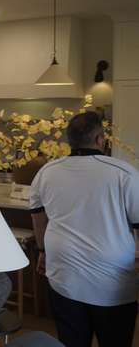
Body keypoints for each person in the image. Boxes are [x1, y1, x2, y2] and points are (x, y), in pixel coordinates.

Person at [30, 111, 139, 347]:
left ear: (69, 140)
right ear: (101, 139)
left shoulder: (47, 172)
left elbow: (38, 216)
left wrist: (42, 251)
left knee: (71, 340)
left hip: (63, 274)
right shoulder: (124, 173)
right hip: (111, 281)